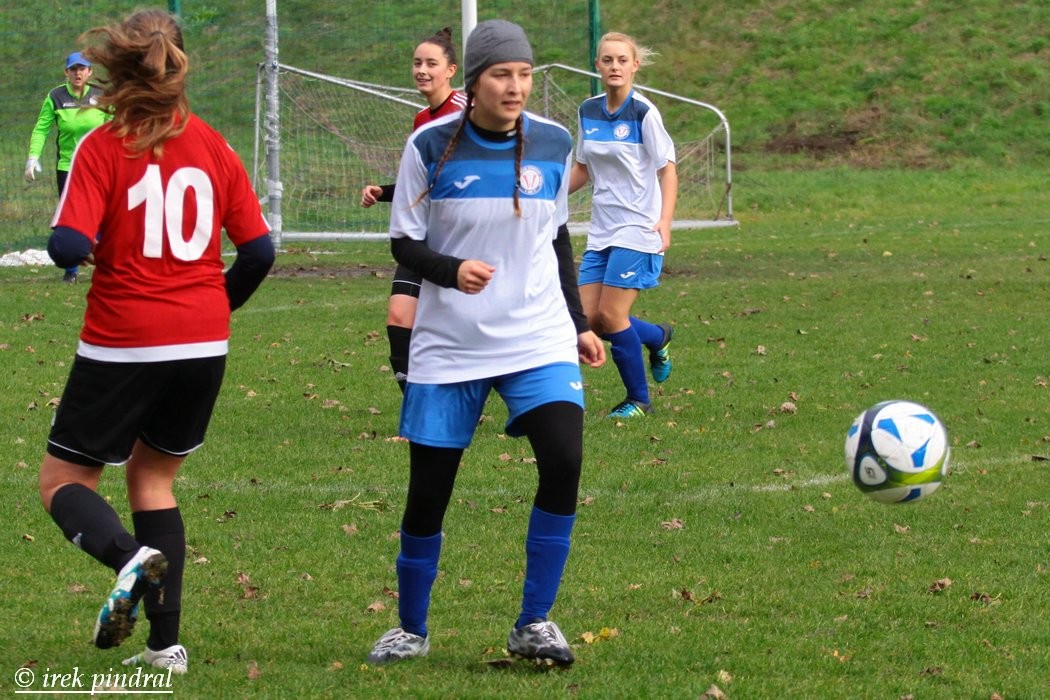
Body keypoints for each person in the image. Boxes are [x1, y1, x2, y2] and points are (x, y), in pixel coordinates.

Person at [38, 9, 274, 676]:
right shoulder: (214, 144)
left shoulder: (103, 145)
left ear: (116, 69)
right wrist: (212, 308)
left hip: (126, 339)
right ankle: (165, 648)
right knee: (153, 477)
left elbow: (66, 245)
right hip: (203, 344)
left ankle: (128, 558)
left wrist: (89, 244)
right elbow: (258, 252)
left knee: (62, 480)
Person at [365, 19, 605, 667]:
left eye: (524, 74)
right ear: (474, 81)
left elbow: (556, 238)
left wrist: (578, 324)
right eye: (502, 74)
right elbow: (404, 241)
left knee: (564, 459)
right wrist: (451, 271)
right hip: (450, 343)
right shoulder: (429, 145)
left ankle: (534, 622)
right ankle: (411, 628)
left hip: (537, 335)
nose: (516, 86)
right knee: (429, 490)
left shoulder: (553, 142)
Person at [569, 32, 679, 419]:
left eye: (621, 60)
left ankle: (638, 400)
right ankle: (657, 336)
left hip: (639, 227)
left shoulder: (644, 113)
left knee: (613, 316)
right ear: (597, 66)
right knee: (589, 320)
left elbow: (667, 170)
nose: (614, 66)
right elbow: (582, 167)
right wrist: (546, 198)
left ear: (635, 66)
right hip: (602, 228)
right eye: (607, 60)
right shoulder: (588, 110)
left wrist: (665, 221)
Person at [360, 27, 468, 395]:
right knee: (399, 318)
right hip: (423, 237)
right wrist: (384, 192)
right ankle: (418, 407)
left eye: (431, 64)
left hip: (460, 238)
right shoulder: (423, 119)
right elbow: (425, 182)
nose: (422, 70)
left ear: (450, 70)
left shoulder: (466, 113)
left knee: (463, 330)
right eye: (417, 63)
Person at [26, 51, 111, 283]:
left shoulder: (101, 95)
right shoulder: (56, 96)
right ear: (66, 72)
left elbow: (116, 127)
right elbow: (41, 129)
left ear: (90, 72)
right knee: (71, 216)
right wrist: (33, 157)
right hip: (68, 168)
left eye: (82, 69)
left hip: (98, 168)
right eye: (73, 69)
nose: (77, 73)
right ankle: (71, 270)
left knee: (103, 214)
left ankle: (107, 264)